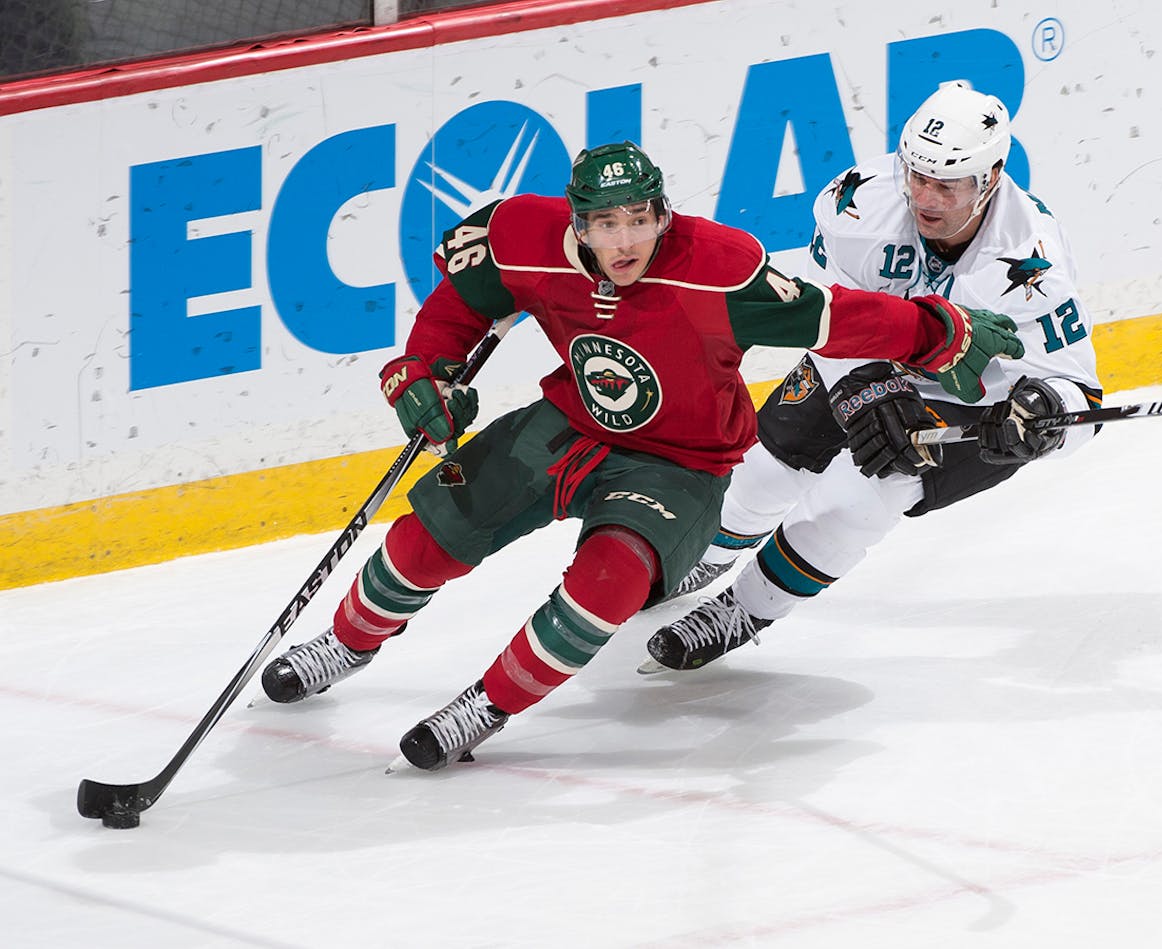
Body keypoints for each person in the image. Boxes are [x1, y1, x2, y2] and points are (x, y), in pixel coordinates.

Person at [258, 140, 1025, 770]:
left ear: (662, 213)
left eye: (639, 219)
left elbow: (837, 320)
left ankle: (484, 705)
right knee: (428, 538)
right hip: (568, 424)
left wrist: (942, 331)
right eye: (606, 224)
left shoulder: (719, 267)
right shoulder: (522, 236)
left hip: (682, 463)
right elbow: (462, 305)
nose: (625, 241)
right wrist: (422, 372)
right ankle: (347, 643)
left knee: (608, 583)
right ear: (577, 223)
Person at [639, 81, 1102, 674]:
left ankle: (744, 609)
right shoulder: (855, 204)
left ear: (990, 177)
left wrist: (1042, 422)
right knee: (757, 473)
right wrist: (868, 389)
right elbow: (823, 322)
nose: (926, 197)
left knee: (857, 499)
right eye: (917, 176)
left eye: (947, 183)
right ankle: (700, 556)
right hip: (865, 356)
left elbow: (1081, 399)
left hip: (966, 403)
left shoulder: (1031, 260)